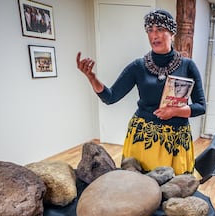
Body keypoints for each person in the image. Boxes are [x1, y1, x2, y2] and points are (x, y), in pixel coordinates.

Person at [76, 9, 206, 175]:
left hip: (175, 141)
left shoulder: (188, 66)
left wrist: (175, 111)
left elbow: (201, 106)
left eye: (160, 29)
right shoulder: (138, 66)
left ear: (172, 33)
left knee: (172, 189)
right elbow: (110, 97)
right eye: (150, 30)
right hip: (144, 139)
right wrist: (92, 78)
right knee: (139, 188)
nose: (154, 35)